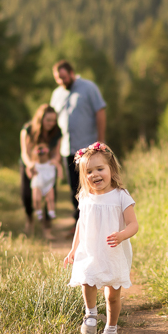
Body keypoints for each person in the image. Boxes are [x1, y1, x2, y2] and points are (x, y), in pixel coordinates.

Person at [63, 142, 138, 334]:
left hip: (113, 251)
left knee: (112, 295)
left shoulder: (121, 196)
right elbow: (81, 223)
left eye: (100, 169)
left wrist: (122, 235)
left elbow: (134, 224)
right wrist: (73, 249)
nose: (94, 174)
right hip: (90, 249)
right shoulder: (85, 197)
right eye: (89, 171)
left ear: (111, 170)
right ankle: (91, 313)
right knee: (87, 278)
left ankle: (111, 330)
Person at [49, 60, 106, 222]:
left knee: (91, 187)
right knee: (74, 189)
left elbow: (100, 112)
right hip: (67, 149)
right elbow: (52, 121)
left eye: (64, 77)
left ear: (72, 73)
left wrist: (101, 141)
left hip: (88, 149)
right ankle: (78, 225)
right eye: (58, 79)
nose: (61, 81)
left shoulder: (89, 88)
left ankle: (94, 223)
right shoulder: (56, 94)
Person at [20, 104, 63, 236]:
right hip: (31, 165)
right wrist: (30, 165)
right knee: (27, 195)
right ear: (41, 119)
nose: (51, 123)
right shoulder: (28, 129)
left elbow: (57, 152)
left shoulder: (57, 132)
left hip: (48, 168)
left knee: (50, 196)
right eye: (48, 120)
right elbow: (24, 152)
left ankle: (47, 228)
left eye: (53, 120)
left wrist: (55, 162)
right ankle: (29, 221)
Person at [30, 144, 64, 240]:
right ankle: (38, 212)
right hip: (38, 183)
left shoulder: (51, 162)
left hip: (48, 184)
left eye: (43, 153)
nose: (42, 155)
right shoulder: (34, 164)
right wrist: (31, 172)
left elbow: (58, 166)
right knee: (36, 199)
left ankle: (51, 212)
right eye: (40, 154)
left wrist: (60, 175)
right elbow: (29, 171)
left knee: (51, 199)